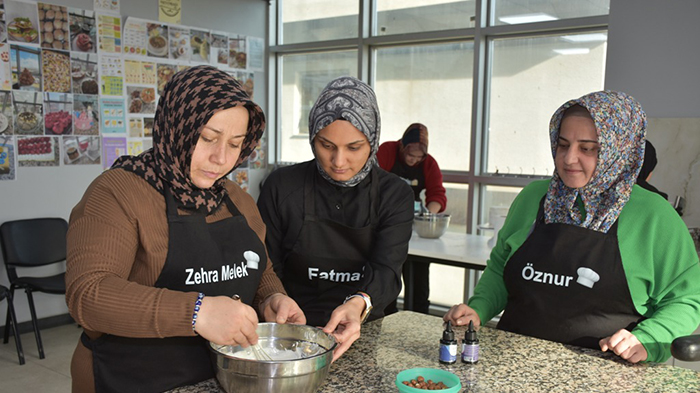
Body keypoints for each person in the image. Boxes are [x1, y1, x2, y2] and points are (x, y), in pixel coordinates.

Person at [66, 66, 304, 393]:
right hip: (132, 391)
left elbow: (259, 267)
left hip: (219, 388)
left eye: (235, 144)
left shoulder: (236, 199)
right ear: (177, 125)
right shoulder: (118, 192)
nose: (221, 158)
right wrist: (196, 312)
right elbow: (88, 295)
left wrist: (272, 297)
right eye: (207, 138)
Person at [444, 90, 700, 364]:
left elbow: (686, 299)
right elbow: (500, 268)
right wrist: (478, 309)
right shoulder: (533, 198)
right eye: (563, 145)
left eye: (587, 148)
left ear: (619, 149)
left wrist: (649, 338)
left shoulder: (653, 216)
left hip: (608, 376)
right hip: (512, 364)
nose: (568, 159)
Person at [257, 76, 414, 360]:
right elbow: (266, 264)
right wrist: (275, 301)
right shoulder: (282, 186)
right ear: (312, 138)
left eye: (354, 147)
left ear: (373, 141)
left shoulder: (394, 194)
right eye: (326, 145)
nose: (339, 161)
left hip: (365, 329)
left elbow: (387, 269)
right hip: (291, 331)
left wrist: (358, 304)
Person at [377, 123, 447, 314]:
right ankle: (386, 315)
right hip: (384, 221)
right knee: (388, 276)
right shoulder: (387, 151)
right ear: (402, 147)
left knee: (419, 280)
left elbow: (437, 194)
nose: (414, 160)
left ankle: (418, 314)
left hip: (412, 224)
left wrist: (427, 216)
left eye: (419, 157)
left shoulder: (429, 163)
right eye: (410, 155)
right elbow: (372, 181)